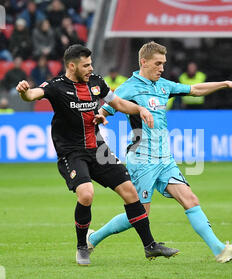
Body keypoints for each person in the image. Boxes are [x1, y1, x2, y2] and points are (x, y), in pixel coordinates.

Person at [16, 44, 178, 266]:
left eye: (91, 63)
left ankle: (150, 246)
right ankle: (83, 246)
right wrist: (25, 91)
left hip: (98, 149)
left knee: (131, 192)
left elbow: (118, 103)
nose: (91, 68)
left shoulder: (96, 83)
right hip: (72, 152)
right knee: (86, 195)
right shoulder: (56, 86)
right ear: (71, 66)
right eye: (86, 65)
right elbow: (33, 95)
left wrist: (140, 109)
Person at [90, 41, 232, 263]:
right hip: (142, 159)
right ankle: (93, 238)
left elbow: (194, 89)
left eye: (164, 64)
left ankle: (219, 250)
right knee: (139, 214)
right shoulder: (129, 87)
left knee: (190, 199)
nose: (162, 68)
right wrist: (101, 116)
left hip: (165, 159)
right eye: (158, 63)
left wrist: (225, 83)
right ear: (143, 62)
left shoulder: (164, 85)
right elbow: (107, 108)